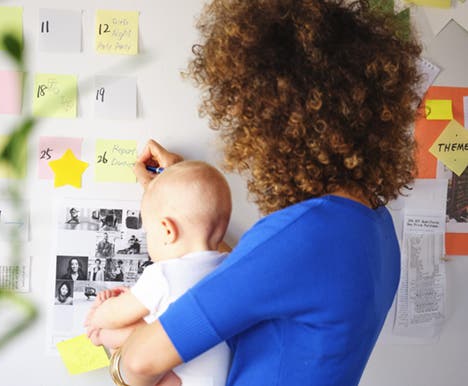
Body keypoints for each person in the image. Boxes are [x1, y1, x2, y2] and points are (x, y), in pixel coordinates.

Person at [111, 1, 423, 386]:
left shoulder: (302, 236)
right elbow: (259, 276)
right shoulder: (376, 227)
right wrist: (178, 194)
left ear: (275, 120)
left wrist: (116, 358)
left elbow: (141, 362)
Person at [85, 161, 233, 386]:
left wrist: (97, 317)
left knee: (135, 333)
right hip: (219, 379)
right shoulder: (230, 267)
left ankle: (98, 336)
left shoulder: (163, 274)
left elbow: (115, 314)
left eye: (147, 233)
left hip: (177, 377)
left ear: (167, 230)